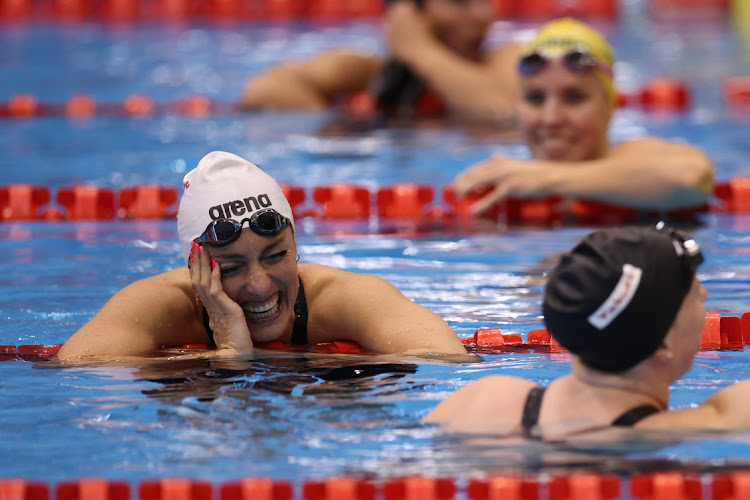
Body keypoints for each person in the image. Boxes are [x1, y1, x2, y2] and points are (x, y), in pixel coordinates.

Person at [57, 151, 468, 361]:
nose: (259, 285)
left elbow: (446, 359)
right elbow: (75, 372)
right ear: (193, 268)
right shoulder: (157, 306)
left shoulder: (346, 299)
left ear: (296, 246)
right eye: (233, 267)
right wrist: (230, 356)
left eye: (275, 256)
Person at [424, 225, 750, 436]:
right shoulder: (694, 430)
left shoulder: (482, 400)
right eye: (695, 296)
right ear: (662, 342)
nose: (706, 299)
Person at [453, 18, 715, 214]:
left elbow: (689, 177)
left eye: (574, 97)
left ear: (609, 105)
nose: (551, 118)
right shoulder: (504, 183)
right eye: (535, 99)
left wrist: (549, 178)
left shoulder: (637, 157)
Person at [238, 0, 519, 122]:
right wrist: (343, 123)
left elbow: (501, 109)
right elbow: (263, 90)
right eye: (458, 2)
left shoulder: (504, 61)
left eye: (484, 0)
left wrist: (418, 49)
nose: (483, 15)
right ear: (409, 14)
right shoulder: (367, 73)